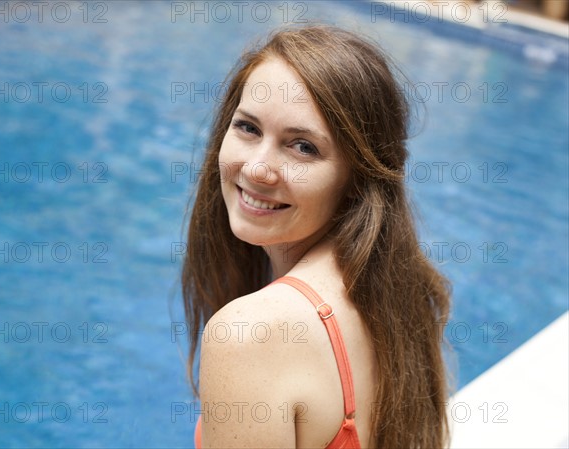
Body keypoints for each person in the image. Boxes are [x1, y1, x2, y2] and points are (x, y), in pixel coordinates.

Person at [181, 24, 451, 448]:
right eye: (248, 128)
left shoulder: (250, 335)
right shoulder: (395, 292)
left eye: (303, 147)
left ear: (357, 177)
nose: (256, 168)